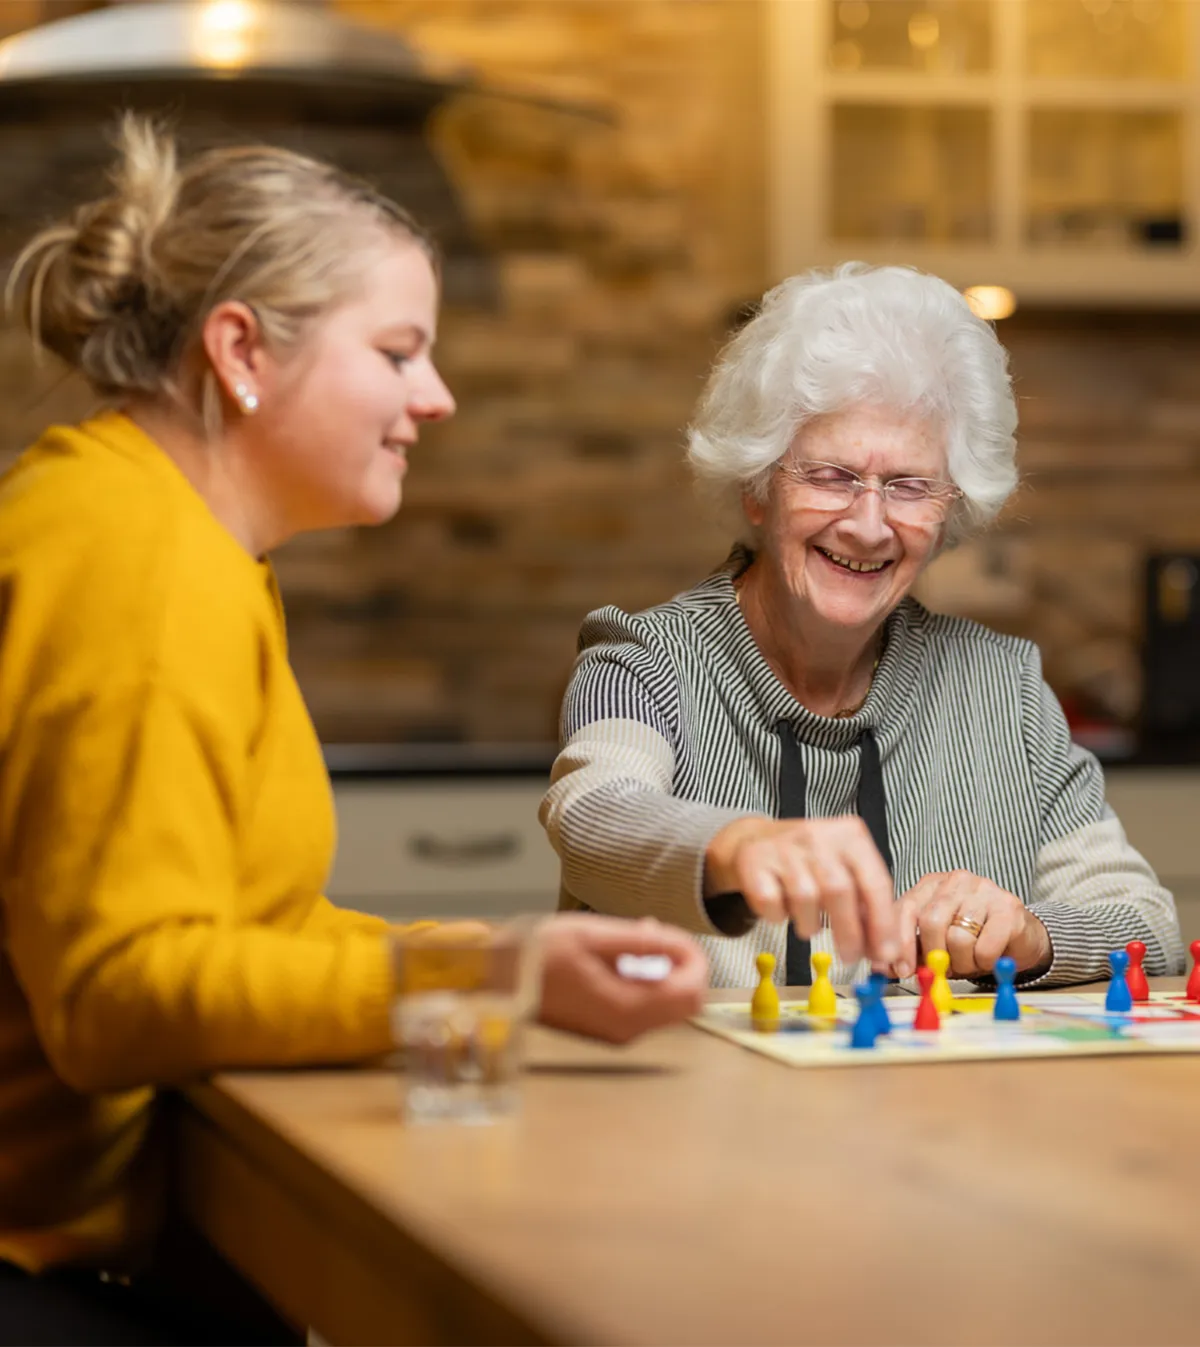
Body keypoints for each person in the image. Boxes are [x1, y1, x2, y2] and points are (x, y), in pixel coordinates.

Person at [0, 118, 706, 1342]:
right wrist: (500, 976)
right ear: (240, 352)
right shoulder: (141, 569)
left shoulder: (164, 530)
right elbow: (120, 995)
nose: (435, 398)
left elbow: (234, 926)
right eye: (398, 351)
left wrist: (500, 952)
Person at [541, 262, 1184, 991]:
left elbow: (1148, 927)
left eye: (910, 486)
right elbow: (593, 816)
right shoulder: (641, 660)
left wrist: (1032, 933)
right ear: (758, 487)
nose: (870, 524)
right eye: (832, 476)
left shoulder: (1004, 689)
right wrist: (740, 844)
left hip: (945, 1106)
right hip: (702, 1104)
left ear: (950, 514)